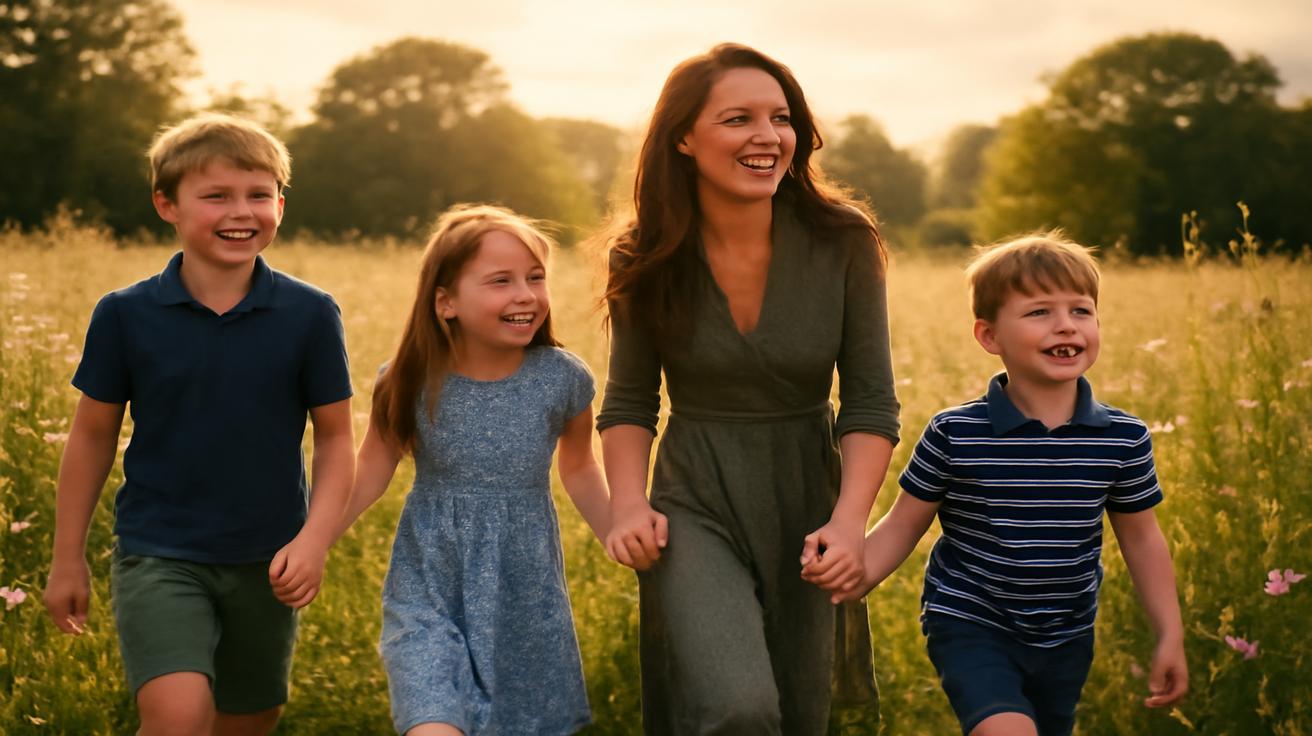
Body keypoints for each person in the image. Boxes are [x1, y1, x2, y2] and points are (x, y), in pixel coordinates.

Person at [599, 43, 900, 734]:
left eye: (781, 118)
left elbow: (870, 402)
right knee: (735, 706)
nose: (768, 137)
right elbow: (629, 400)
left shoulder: (843, 240)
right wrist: (627, 505)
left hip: (806, 497)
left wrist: (850, 523)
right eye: (739, 119)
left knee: (797, 711)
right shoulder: (643, 252)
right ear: (684, 136)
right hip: (693, 497)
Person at [42, 113, 356, 735]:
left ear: (280, 205)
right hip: (159, 552)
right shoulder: (125, 314)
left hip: (270, 561)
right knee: (178, 718)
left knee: (249, 719)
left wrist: (314, 540)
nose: (241, 211)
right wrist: (65, 559)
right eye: (216, 196)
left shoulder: (310, 314)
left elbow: (339, 437)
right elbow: (92, 435)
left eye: (258, 195)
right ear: (168, 204)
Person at [826, 234, 1188, 735]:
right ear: (989, 336)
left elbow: (1142, 538)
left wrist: (1170, 633)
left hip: (1067, 634)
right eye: (1039, 312)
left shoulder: (1121, 439)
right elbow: (904, 525)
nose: (1066, 324)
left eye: (1081, 311)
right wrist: (848, 579)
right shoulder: (956, 433)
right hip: (971, 622)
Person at [341, 204, 611, 735]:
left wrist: (618, 533)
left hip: (524, 593)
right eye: (500, 281)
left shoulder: (562, 379)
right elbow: (373, 463)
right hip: (428, 586)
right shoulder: (408, 379)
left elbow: (579, 467)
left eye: (536, 278)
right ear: (446, 302)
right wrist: (314, 535)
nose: (525, 295)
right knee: (431, 718)